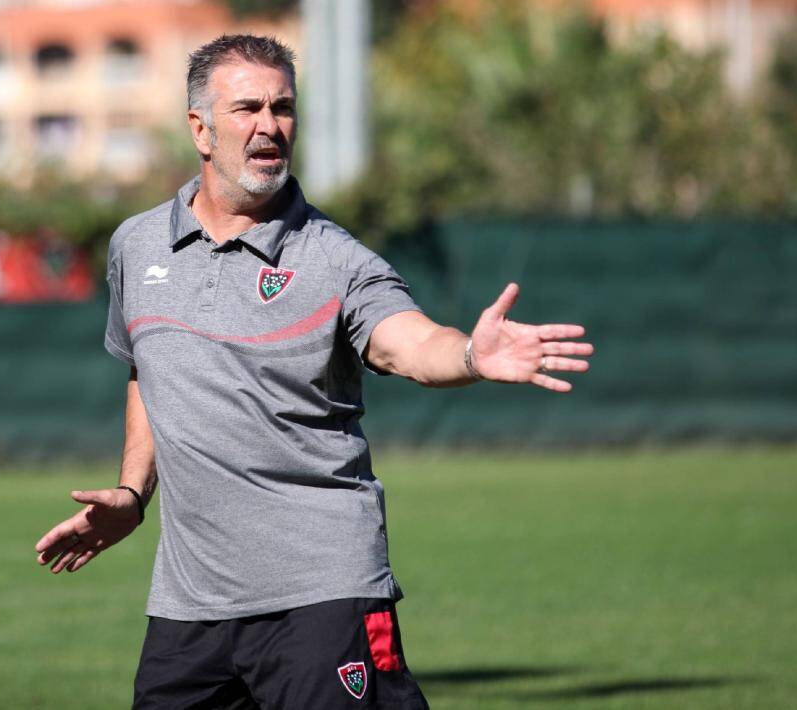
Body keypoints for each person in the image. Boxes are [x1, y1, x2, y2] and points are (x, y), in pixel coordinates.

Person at [34, 34, 593, 709]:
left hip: (322, 595)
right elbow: (148, 373)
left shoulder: (335, 259)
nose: (269, 125)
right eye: (246, 108)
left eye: (283, 108)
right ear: (199, 129)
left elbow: (406, 344)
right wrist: (131, 492)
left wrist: (471, 355)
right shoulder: (137, 245)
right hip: (189, 608)